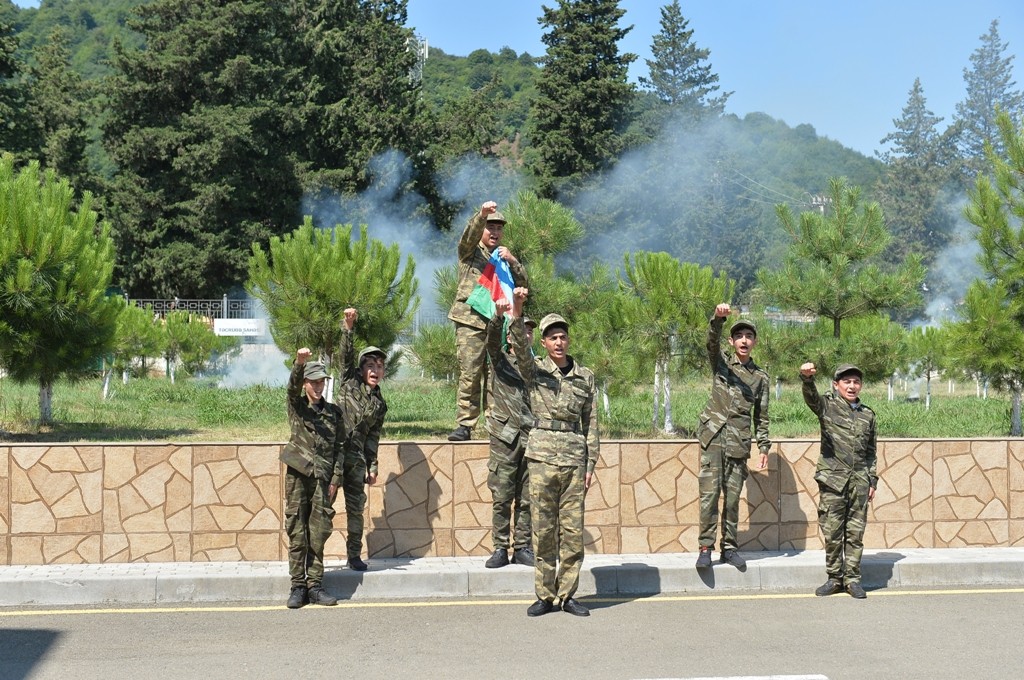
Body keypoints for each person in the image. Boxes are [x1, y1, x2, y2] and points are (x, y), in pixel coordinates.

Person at [507, 287, 599, 617]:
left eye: (562, 336)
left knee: (572, 533)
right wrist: (517, 310)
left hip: (574, 460)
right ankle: (545, 595)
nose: (558, 342)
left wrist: (591, 464)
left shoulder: (585, 377)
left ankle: (568, 594)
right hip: (542, 457)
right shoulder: (535, 372)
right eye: (552, 337)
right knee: (543, 530)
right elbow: (518, 346)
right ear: (543, 343)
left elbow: (591, 423)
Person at [695, 303, 770, 570]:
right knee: (709, 496)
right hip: (713, 437)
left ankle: (729, 548)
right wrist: (718, 319)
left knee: (733, 498)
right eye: (739, 336)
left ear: (754, 342)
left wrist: (763, 447)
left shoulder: (760, 378)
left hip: (739, 442)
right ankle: (705, 547)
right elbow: (710, 343)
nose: (744, 340)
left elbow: (761, 415)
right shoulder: (721, 364)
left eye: (749, 336)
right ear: (732, 340)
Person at [447, 201, 528, 442]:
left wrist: (513, 260)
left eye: (498, 228)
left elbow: (524, 282)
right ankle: (465, 424)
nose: (494, 232)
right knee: (470, 372)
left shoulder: (502, 258)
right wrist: (481, 215)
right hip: (470, 321)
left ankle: (496, 422)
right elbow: (467, 237)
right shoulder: (470, 252)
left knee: (496, 374)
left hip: (497, 321)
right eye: (490, 227)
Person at [799, 362, 878, 599]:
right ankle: (834, 578)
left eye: (856, 382)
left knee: (855, 535)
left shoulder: (868, 415)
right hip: (833, 482)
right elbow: (811, 398)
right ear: (836, 385)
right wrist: (806, 379)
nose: (852, 386)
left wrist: (872, 480)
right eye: (846, 381)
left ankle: (852, 580)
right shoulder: (827, 406)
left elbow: (871, 451)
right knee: (833, 533)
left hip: (859, 483)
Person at [280, 348, 344, 608]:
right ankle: (297, 587)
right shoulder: (297, 408)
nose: (318, 387)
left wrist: (336, 479)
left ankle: (315, 586)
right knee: (297, 531)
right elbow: (291, 389)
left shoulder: (333, 413)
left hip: (322, 478)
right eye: (313, 382)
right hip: (298, 476)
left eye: (321, 382)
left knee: (318, 532)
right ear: (305, 383)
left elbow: (340, 447)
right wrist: (299, 364)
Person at [482, 298, 535, 569]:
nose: (525, 334)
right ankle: (500, 547)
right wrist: (499, 317)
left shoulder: (536, 367)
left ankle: (523, 547)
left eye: (529, 331)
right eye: (521, 329)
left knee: (526, 496)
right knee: (502, 496)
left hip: (530, 436)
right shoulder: (500, 359)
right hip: (504, 437)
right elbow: (491, 342)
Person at [336, 308, 388, 572]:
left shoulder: (380, 404)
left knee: (356, 509)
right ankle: (313, 559)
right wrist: (348, 327)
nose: (375, 370)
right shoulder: (348, 381)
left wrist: (373, 465)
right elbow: (344, 357)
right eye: (370, 365)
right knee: (323, 508)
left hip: (356, 460)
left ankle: (354, 555)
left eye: (379, 366)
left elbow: (373, 437)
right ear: (361, 369)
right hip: (333, 456)